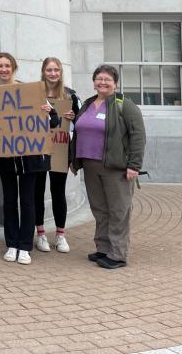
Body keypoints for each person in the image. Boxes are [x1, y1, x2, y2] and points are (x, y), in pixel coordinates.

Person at [72, 64, 145, 269]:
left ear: (115, 83)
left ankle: (118, 254)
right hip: (90, 165)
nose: (102, 83)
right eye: (99, 79)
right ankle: (103, 248)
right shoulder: (87, 104)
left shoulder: (124, 105)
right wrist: (74, 160)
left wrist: (134, 165)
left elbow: (138, 136)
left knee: (118, 210)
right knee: (100, 209)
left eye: (107, 79)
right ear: (94, 81)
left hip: (116, 167)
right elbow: (78, 131)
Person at [0, 52, 55, 265]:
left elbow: (52, 121)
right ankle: (12, 243)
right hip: (6, 158)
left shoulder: (32, 91)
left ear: (14, 67)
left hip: (30, 158)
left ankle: (25, 245)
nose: (4, 69)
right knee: (9, 202)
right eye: (0, 66)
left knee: (27, 202)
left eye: (7, 65)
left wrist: (49, 112)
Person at [34, 56, 80, 254]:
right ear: (43, 72)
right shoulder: (34, 93)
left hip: (60, 149)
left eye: (56, 70)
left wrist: (74, 117)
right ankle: (41, 234)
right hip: (38, 149)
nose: (53, 73)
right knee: (37, 192)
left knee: (58, 192)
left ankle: (60, 235)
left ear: (61, 73)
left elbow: (81, 124)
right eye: (49, 70)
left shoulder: (70, 96)